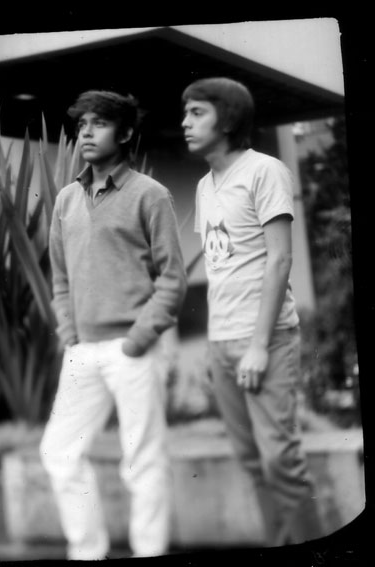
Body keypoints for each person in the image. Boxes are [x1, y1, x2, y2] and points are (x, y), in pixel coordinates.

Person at [40, 89, 187, 560]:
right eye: (81, 124)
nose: (86, 132)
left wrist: (139, 339)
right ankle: (88, 553)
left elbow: (173, 278)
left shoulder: (150, 195)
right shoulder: (66, 200)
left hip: (133, 349)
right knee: (59, 452)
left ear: (124, 134)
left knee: (142, 460)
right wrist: (69, 334)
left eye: (98, 124)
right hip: (83, 351)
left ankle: (149, 552)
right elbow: (60, 278)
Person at [181, 77, 324, 546]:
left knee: (281, 460)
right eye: (185, 113)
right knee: (250, 461)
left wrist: (258, 346)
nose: (185, 123)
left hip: (267, 339)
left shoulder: (265, 171)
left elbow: (279, 260)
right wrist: (214, 345)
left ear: (227, 119)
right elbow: (220, 267)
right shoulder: (204, 186)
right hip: (223, 342)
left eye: (197, 112)